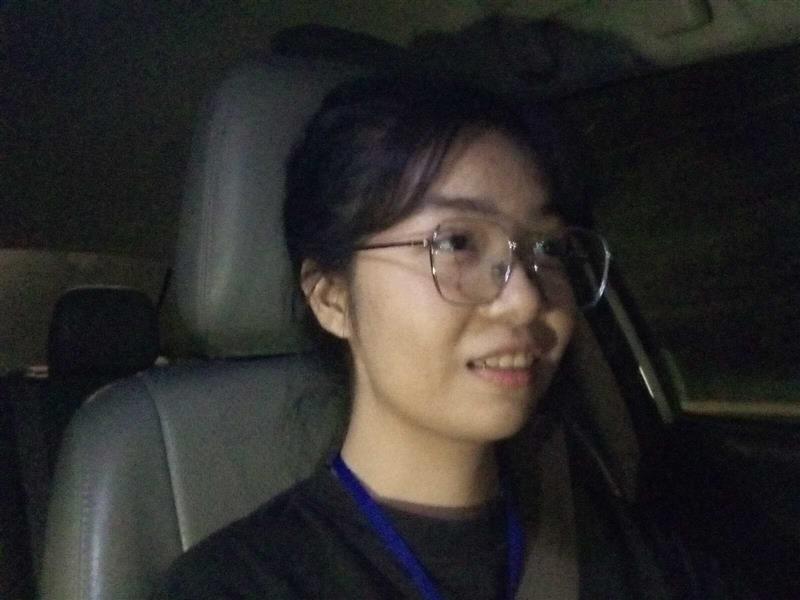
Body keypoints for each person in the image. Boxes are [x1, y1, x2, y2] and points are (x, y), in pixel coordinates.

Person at [151, 73, 714, 599]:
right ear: (332, 298)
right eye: (457, 244)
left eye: (548, 249)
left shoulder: (630, 543)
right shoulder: (231, 586)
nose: (526, 300)